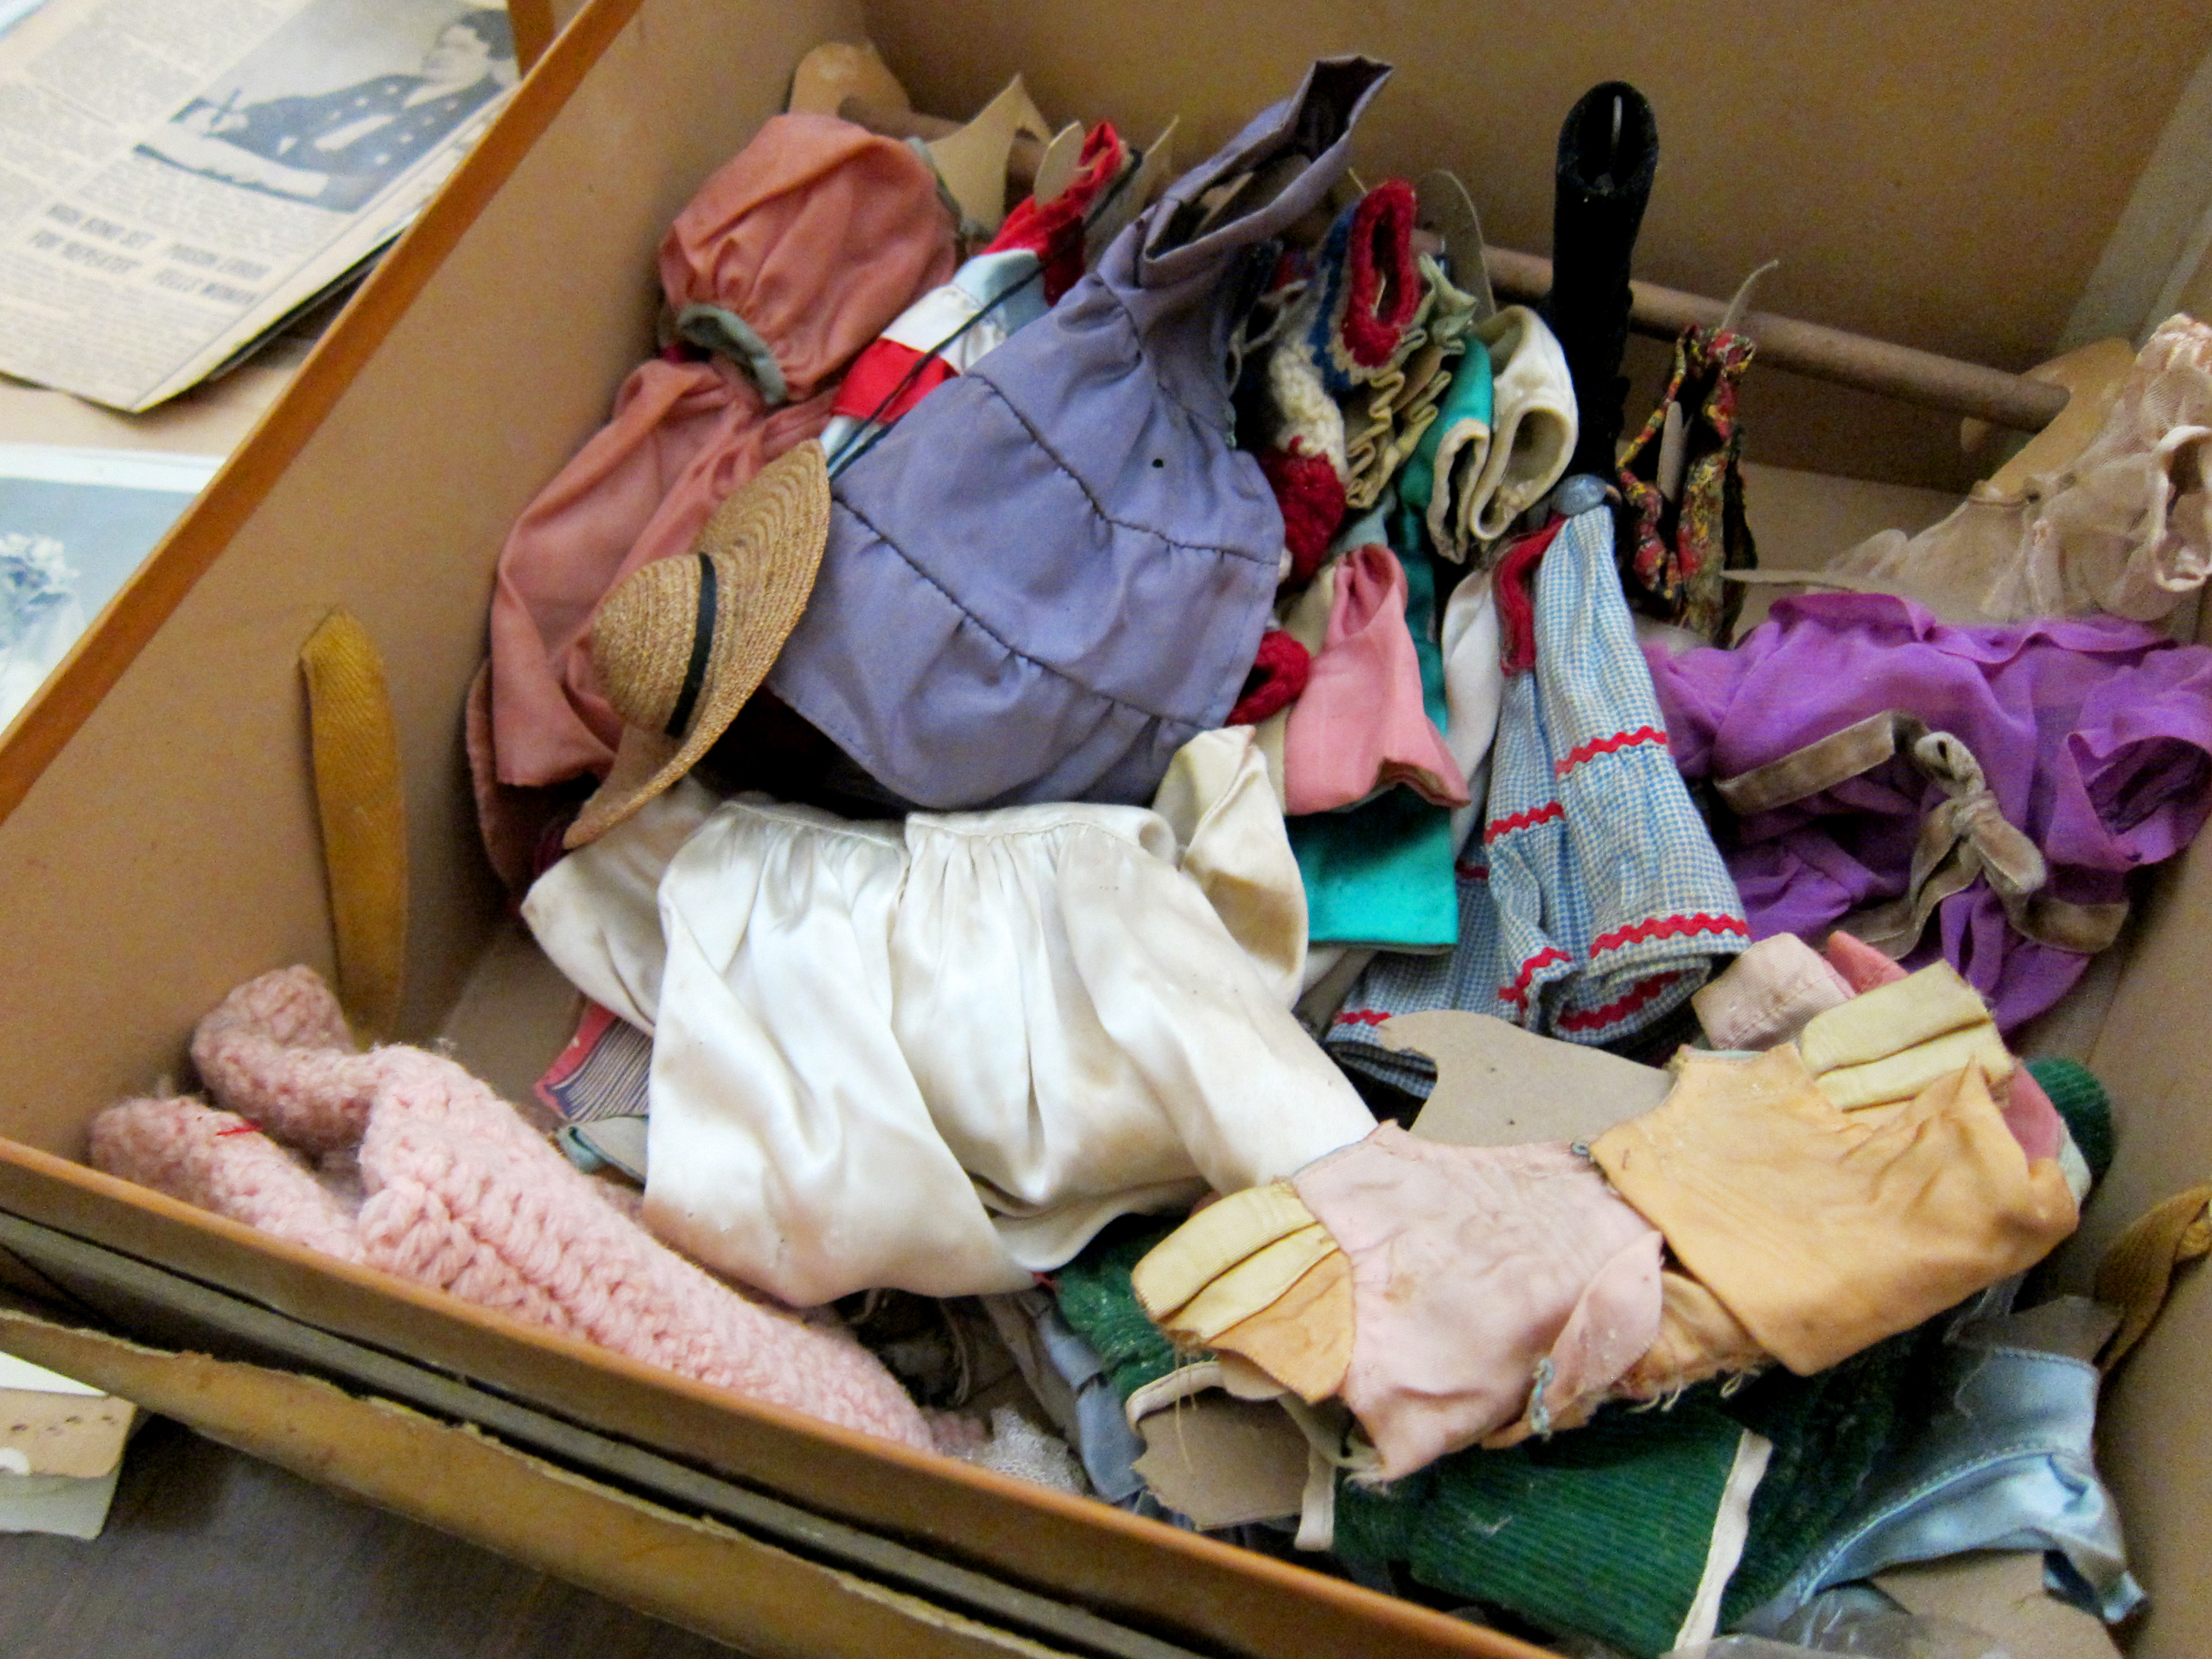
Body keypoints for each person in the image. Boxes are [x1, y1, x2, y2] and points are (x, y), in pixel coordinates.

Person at [139, 10, 515, 212]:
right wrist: (242, 119)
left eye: (461, 50)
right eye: (441, 45)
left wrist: (288, 180)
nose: (440, 55)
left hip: (313, 203)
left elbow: (411, 189)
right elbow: (304, 111)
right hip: (266, 175)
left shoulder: (485, 109)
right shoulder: (393, 84)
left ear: (494, 59)